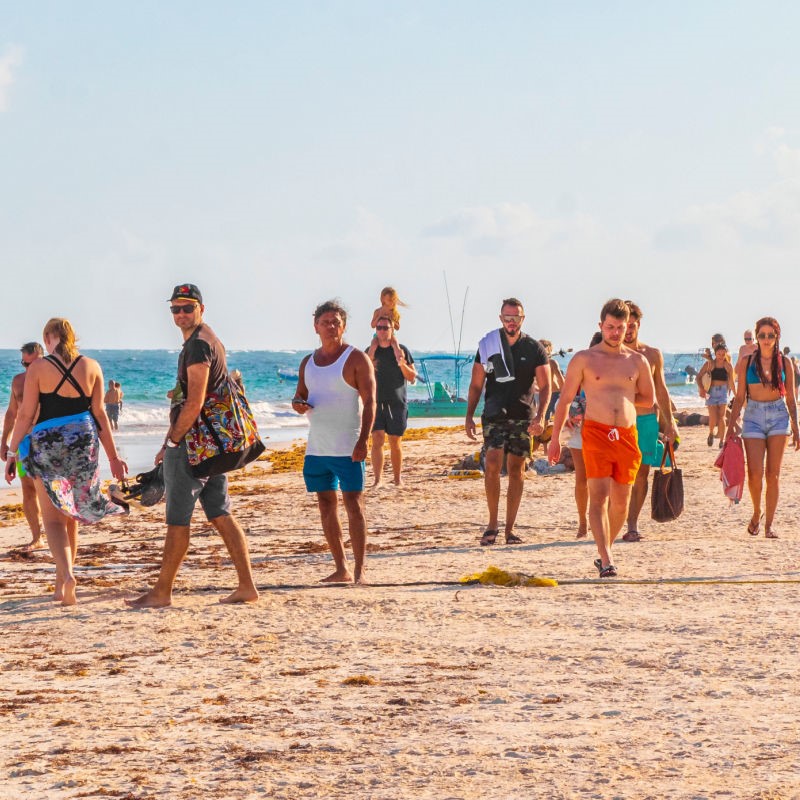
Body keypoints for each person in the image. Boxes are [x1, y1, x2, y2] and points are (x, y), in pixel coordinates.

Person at [126, 284, 260, 608]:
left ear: (201, 308)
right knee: (220, 513)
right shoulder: (207, 339)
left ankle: (162, 592)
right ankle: (246, 586)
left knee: (177, 518)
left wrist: (173, 441)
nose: (181, 314)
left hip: (194, 446)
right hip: (210, 448)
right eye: (175, 308)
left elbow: (195, 402)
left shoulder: (198, 346)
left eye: (187, 307)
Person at [4, 320, 128, 605]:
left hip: (47, 442)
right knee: (71, 512)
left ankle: (67, 576)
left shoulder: (37, 368)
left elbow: (25, 416)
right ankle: (62, 584)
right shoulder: (92, 366)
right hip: (83, 441)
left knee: (52, 519)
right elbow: (100, 415)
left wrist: (12, 454)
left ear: (49, 338)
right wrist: (114, 457)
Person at [548, 299, 655, 577]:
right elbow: (564, 401)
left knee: (621, 501)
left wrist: (624, 398)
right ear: (600, 326)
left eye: (621, 327)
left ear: (628, 327)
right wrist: (555, 438)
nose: (616, 332)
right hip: (596, 432)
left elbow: (649, 399)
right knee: (599, 496)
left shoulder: (637, 360)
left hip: (627, 436)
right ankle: (606, 559)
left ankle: (604, 548)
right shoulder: (584, 358)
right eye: (610, 327)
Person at [294, 300, 376, 583]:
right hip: (317, 447)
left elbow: (370, 401)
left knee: (354, 505)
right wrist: (298, 404)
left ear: (344, 326)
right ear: (315, 327)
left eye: (336, 322)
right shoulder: (308, 362)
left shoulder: (356, 359)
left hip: (348, 445)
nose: (331, 327)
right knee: (325, 505)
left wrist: (364, 440)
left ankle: (360, 570)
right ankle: (340, 568)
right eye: (325, 322)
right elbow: (300, 395)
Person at [466, 298, 550, 546]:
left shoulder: (534, 348)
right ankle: (492, 523)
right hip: (494, 413)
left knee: (516, 469)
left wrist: (542, 416)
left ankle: (509, 529)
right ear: (500, 318)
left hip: (522, 415)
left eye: (516, 318)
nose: (511, 322)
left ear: (522, 319)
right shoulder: (488, 345)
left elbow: (546, 387)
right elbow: (475, 384)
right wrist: (469, 415)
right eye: (507, 317)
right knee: (492, 462)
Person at [725, 316, 799, 539]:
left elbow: (791, 400)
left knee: (773, 474)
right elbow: (739, 398)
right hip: (753, 416)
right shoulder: (747, 362)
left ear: (777, 337)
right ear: (756, 338)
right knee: (755, 473)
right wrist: (730, 426)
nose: (766, 340)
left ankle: (769, 525)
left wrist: (796, 426)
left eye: (770, 335)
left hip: (779, 416)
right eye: (762, 335)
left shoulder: (785, 362)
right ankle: (756, 512)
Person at [621, 301, 678, 542]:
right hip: (617, 422)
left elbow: (662, 390)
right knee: (618, 476)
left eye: (633, 326)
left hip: (645, 421)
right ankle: (615, 518)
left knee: (641, 475)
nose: (629, 331)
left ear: (639, 325)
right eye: (626, 326)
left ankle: (632, 524)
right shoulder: (610, 354)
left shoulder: (652, 354)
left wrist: (669, 422)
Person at [1, 342, 45, 550]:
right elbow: (12, 413)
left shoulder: (51, 382)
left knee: (52, 488)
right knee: (28, 489)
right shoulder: (18, 381)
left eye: (33, 363)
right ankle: (37, 537)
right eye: (24, 364)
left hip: (47, 440)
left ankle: (58, 533)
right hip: (24, 443)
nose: (29, 369)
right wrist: (4, 442)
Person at [366, 316, 416, 487]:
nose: (381, 331)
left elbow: (412, 378)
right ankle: (377, 480)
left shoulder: (402, 350)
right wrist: (371, 351)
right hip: (375, 402)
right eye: (378, 328)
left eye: (385, 328)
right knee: (377, 439)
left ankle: (397, 478)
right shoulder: (370, 350)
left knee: (395, 441)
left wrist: (402, 363)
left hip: (397, 402)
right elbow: (363, 376)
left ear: (392, 329)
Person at [564, 332, 602, 539]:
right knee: (582, 477)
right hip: (579, 428)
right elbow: (565, 396)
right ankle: (582, 522)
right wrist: (567, 415)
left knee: (601, 478)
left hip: (604, 429)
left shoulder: (614, 370)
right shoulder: (581, 368)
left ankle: (596, 519)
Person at [696, 343, 735, 447]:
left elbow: (731, 382)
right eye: (719, 354)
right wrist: (702, 389)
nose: (721, 356)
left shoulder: (728, 366)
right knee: (713, 417)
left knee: (722, 417)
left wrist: (736, 394)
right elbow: (698, 377)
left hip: (723, 392)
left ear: (726, 354)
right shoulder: (710, 364)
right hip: (711, 392)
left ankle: (722, 441)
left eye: (723, 354)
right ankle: (711, 433)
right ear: (715, 354)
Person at [539, 339, 565, 423]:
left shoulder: (552, 362)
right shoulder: (536, 363)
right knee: (543, 417)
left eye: (544, 347)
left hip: (554, 393)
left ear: (549, 350)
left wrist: (564, 393)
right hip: (543, 393)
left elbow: (560, 378)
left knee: (553, 415)